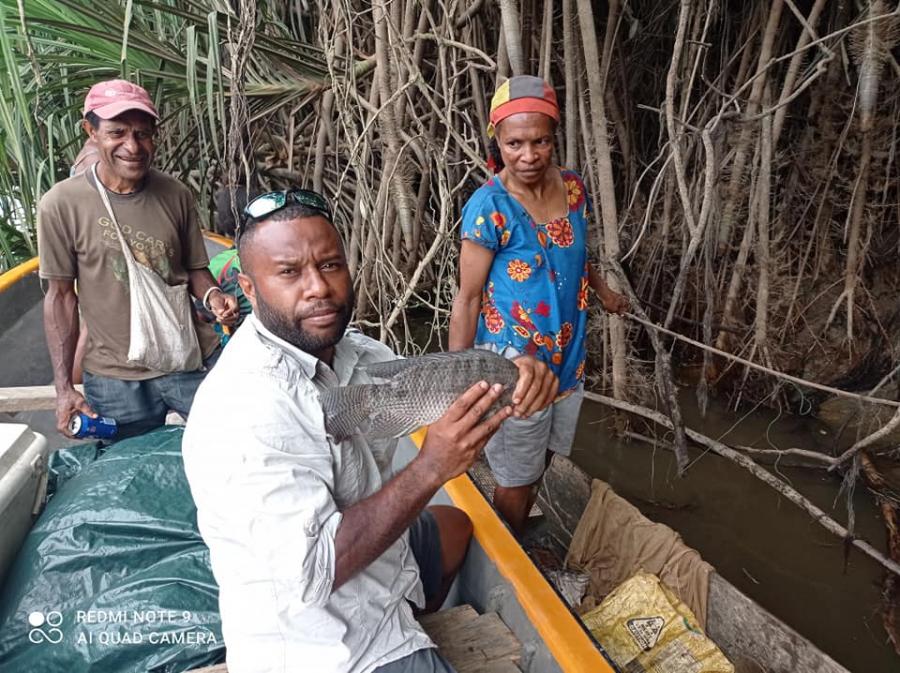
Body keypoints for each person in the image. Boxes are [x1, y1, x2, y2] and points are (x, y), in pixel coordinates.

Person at [182, 188, 557, 673]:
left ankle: (414, 610)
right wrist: (430, 468)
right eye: (290, 272)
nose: (317, 287)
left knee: (456, 526)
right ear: (250, 291)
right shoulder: (246, 408)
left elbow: (438, 381)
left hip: (369, 559)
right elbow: (314, 574)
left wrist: (519, 372)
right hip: (320, 641)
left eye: (330, 265)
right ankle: (408, 645)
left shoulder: (353, 352)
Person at [449, 75, 630, 535]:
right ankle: (509, 560)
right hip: (516, 365)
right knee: (515, 475)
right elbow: (467, 298)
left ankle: (519, 521)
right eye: (514, 144)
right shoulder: (488, 207)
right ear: (498, 140)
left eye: (540, 141)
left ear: (554, 138)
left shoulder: (572, 188)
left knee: (548, 453)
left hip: (567, 357)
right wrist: (458, 376)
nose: (528, 156)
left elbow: (574, 251)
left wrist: (604, 292)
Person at [38, 79, 239, 440]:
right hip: (116, 381)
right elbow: (61, 298)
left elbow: (195, 269)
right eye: (117, 132)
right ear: (91, 131)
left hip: (188, 360)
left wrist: (213, 298)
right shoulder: (61, 205)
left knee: (231, 445)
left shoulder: (175, 194)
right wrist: (64, 388)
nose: (132, 146)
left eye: (143, 134)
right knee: (126, 468)